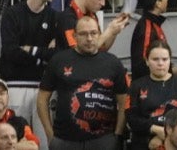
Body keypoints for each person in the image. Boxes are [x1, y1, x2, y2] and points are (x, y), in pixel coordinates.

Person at [37, 14, 128, 150]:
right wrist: (50, 135)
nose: (89, 38)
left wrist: (118, 135)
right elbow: (42, 99)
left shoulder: (113, 63)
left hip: (104, 141)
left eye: (93, 33)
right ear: (74, 36)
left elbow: (124, 101)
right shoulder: (58, 60)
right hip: (64, 140)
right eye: (83, 34)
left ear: (99, 34)